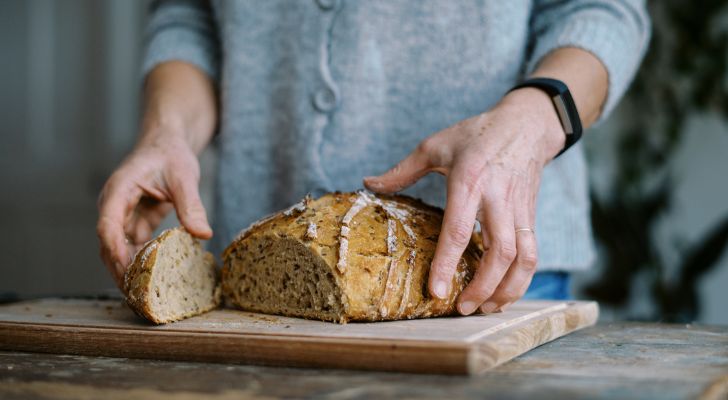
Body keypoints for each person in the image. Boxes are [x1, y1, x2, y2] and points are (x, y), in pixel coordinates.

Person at [97, 0, 650, 315]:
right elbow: (190, 14)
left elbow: (603, 10)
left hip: (492, 264)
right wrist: (166, 129)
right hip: (268, 285)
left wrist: (533, 122)